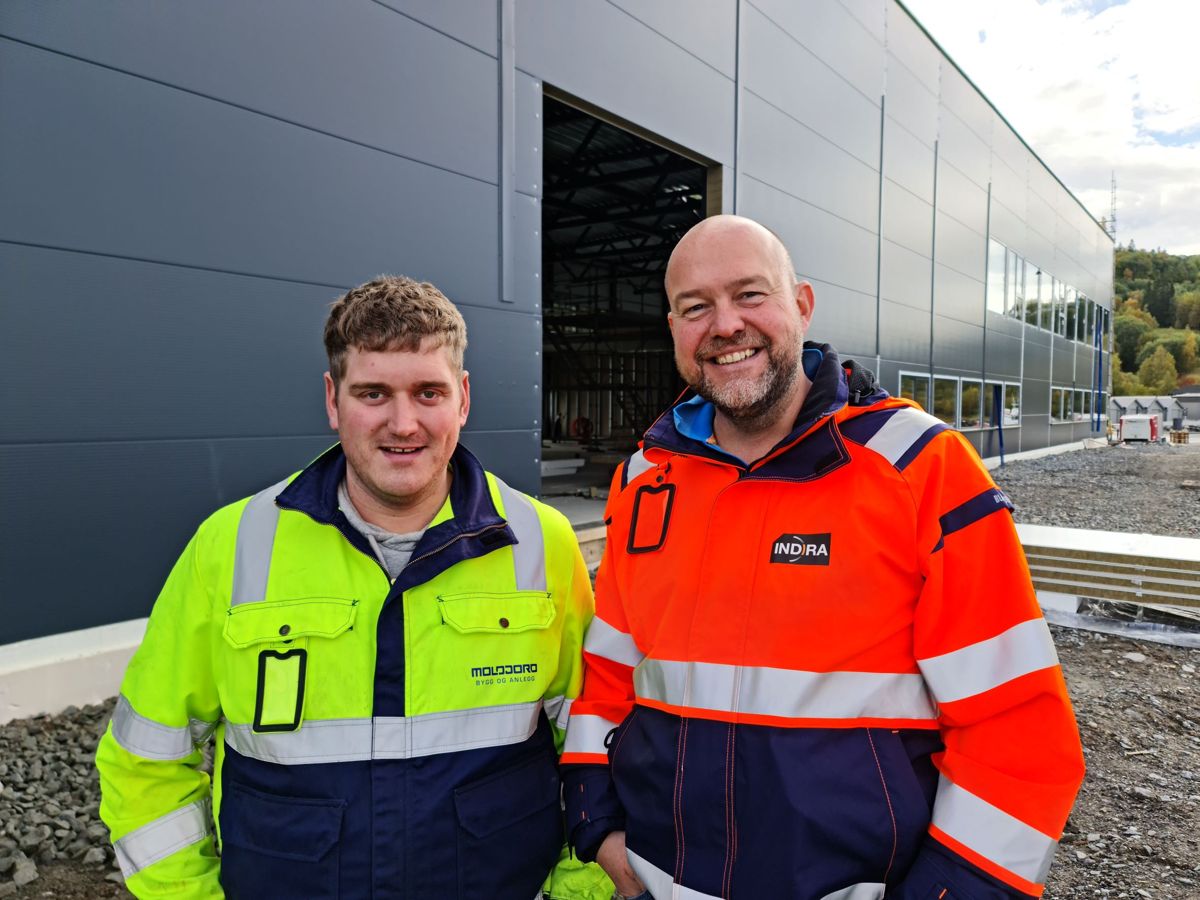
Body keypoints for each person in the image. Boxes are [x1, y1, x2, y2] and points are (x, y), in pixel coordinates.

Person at [560, 216, 1085, 899]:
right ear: (674, 330)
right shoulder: (644, 479)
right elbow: (609, 673)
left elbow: (1016, 728)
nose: (724, 326)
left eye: (750, 295)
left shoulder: (920, 468)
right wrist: (598, 825)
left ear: (801, 306)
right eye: (696, 307)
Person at [96, 276, 611, 899]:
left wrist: (578, 890)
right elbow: (145, 761)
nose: (404, 423)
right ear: (333, 400)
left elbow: (597, 740)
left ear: (463, 399)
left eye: (429, 392)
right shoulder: (229, 547)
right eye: (373, 393)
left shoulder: (541, 542)